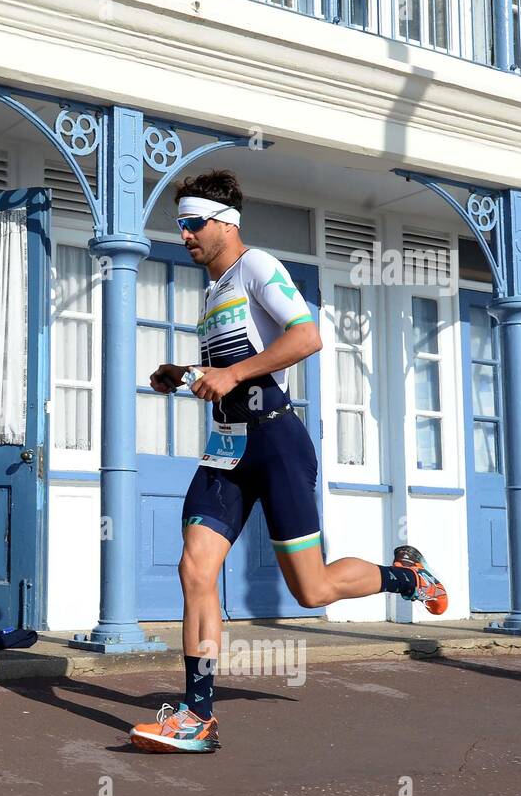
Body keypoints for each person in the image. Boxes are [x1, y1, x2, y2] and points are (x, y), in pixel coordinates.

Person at [129, 170, 448, 754]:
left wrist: (230, 373)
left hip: (276, 443)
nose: (184, 237)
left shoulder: (259, 267)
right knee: (194, 570)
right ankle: (198, 715)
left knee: (313, 590)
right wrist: (186, 374)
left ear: (225, 222)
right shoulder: (213, 288)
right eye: (179, 226)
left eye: (192, 224)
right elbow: (232, 365)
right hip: (227, 450)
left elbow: (306, 338)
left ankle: (408, 577)